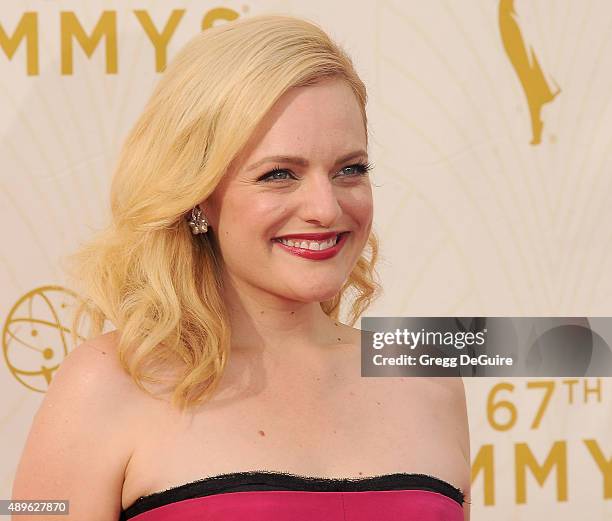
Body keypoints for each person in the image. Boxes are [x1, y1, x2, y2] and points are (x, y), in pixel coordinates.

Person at [11, 14, 471, 521]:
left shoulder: (430, 370)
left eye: (350, 169)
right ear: (198, 194)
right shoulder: (107, 381)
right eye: (279, 174)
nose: (326, 207)